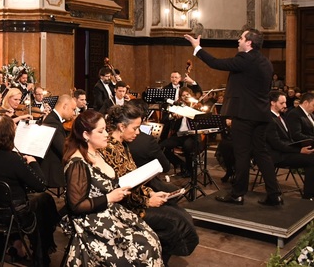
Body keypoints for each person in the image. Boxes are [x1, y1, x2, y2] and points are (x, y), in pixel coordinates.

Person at [185, 29, 281, 206]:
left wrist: (197, 48)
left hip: (243, 114)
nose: (238, 41)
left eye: (241, 38)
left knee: (242, 154)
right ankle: (275, 194)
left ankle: (237, 194)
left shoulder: (245, 59)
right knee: (262, 153)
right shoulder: (266, 62)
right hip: (261, 114)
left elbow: (216, 63)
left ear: (249, 43)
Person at [61, 109, 163, 266]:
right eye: (100, 131)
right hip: (91, 219)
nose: (106, 135)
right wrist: (109, 197)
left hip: (109, 210)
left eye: (105, 130)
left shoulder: (98, 152)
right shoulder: (77, 164)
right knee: (145, 246)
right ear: (86, 135)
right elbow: (76, 205)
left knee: (151, 237)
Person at [102, 103, 198, 264]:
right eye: (135, 128)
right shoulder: (109, 148)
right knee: (175, 222)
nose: (138, 133)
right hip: (122, 207)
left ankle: (158, 259)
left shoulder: (122, 145)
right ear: (121, 126)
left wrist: (151, 193)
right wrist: (147, 200)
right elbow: (118, 188)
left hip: (134, 200)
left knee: (181, 214)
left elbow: (133, 179)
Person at [0, 114, 59, 266]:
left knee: (40, 201)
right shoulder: (13, 160)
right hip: (11, 216)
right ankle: (41, 255)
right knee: (44, 200)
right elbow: (40, 185)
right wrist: (32, 162)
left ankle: (17, 245)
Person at [267, 91, 314, 200]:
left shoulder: (281, 116)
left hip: (286, 151)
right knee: (312, 160)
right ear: (273, 103)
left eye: (285, 103)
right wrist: (299, 150)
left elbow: (289, 139)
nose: (285, 105)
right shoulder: (269, 119)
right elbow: (277, 144)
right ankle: (308, 196)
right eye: (282, 103)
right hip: (277, 155)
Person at [40, 94, 77, 189]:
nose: (74, 113)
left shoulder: (54, 120)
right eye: (73, 109)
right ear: (64, 106)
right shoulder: (52, 122)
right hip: (54, 172)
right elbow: (63, 149)